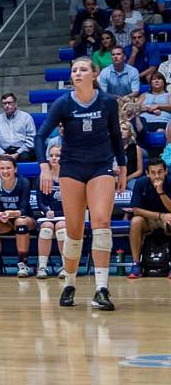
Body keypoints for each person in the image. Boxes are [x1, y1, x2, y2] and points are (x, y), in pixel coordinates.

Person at [36, 56, 125, 311]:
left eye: (83, 69)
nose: (77, 73)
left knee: (101, 223)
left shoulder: (107, 102)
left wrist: (123, 167)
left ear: (94, 74)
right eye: (74, 69)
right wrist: (43, 165)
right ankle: (70, 283)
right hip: (72, 168)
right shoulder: (63, 103)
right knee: (74, 231)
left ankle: (101, 288)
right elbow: (41, 135)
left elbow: (117, 137)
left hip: (101, 165)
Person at [0, 154, 35, 278]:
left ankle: (23, 263)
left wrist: (12, 213)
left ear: (15, 169)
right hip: (5, 221)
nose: (5, 171)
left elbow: (25, 208)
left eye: (8, 168)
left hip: (25, 218)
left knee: (20, 222)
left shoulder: (24, 182)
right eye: (2, 168)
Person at [128, 159, 171, 279]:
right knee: (136, 221)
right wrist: (160, 216)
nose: (157, 176)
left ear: (166, 171)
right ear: (147, 173)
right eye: (153, 172)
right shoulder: (140, 183)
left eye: (160, 172)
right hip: (148, 220)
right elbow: (136, 210)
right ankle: (136, 264)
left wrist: (161, 192)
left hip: (167, 220)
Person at [35, 145, 66, 279]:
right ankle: (42, 267)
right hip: (49, 215)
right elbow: (40, 200)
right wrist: (46, 210)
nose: (54, 158)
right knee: (46, 228)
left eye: (57, 155)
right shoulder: (43, 177)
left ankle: (66, 266)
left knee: (60, 227)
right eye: (51, 155)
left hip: (66, 215)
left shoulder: (69, 176)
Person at [0, 93, 36, 163]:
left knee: (26, 158)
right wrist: (3, 154)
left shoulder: (26, 117)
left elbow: (31, 140)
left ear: (15, 104)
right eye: (4, 104)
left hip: (21, 151)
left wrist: (17, 153)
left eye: (9, 103)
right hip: (3, 152)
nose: (7, 106)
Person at [123, 121, 144, 190]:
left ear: (130, 132)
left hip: (130, 178)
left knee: (134, 187)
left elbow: (140, 170)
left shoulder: (136, 148)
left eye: (124, 129)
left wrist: (126, 178)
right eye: (119, 129)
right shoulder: (110, 148)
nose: (121, 131)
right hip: (113, 178)